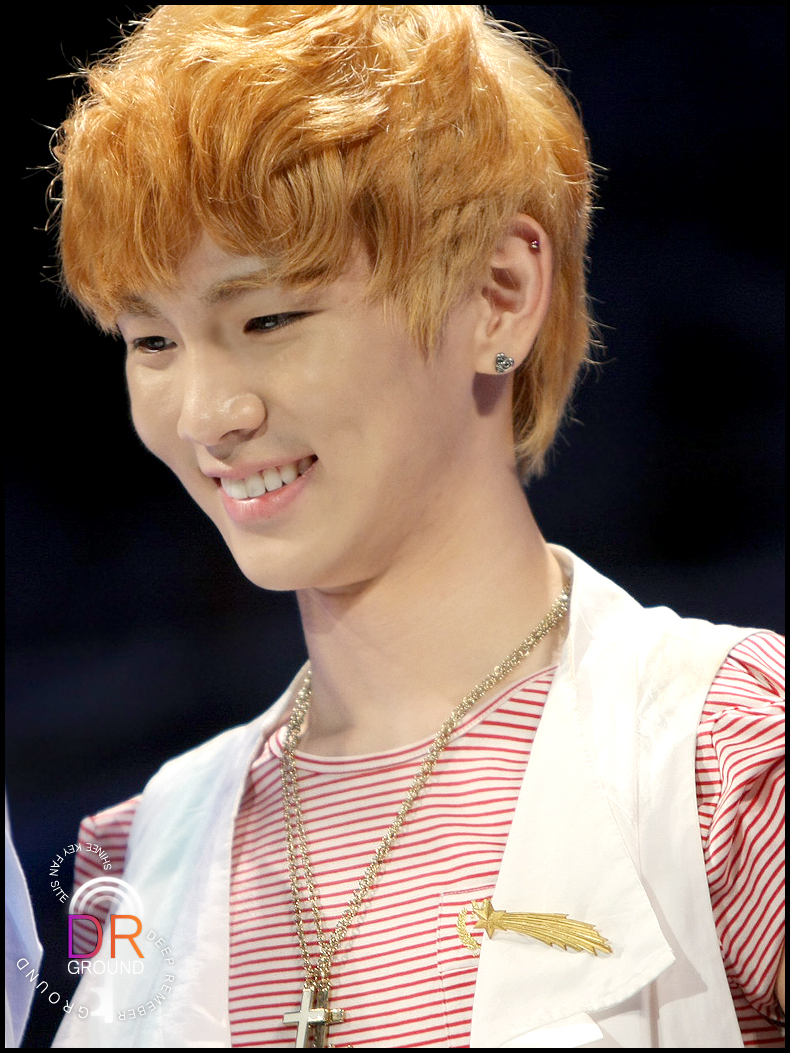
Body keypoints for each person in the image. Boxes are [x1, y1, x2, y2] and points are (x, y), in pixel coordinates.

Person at [47, 5, 783, 1048]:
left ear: (500, 293)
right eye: (152, 340)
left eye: (267, 319)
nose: (209, 414)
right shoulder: (134, 857)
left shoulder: (731, 763)